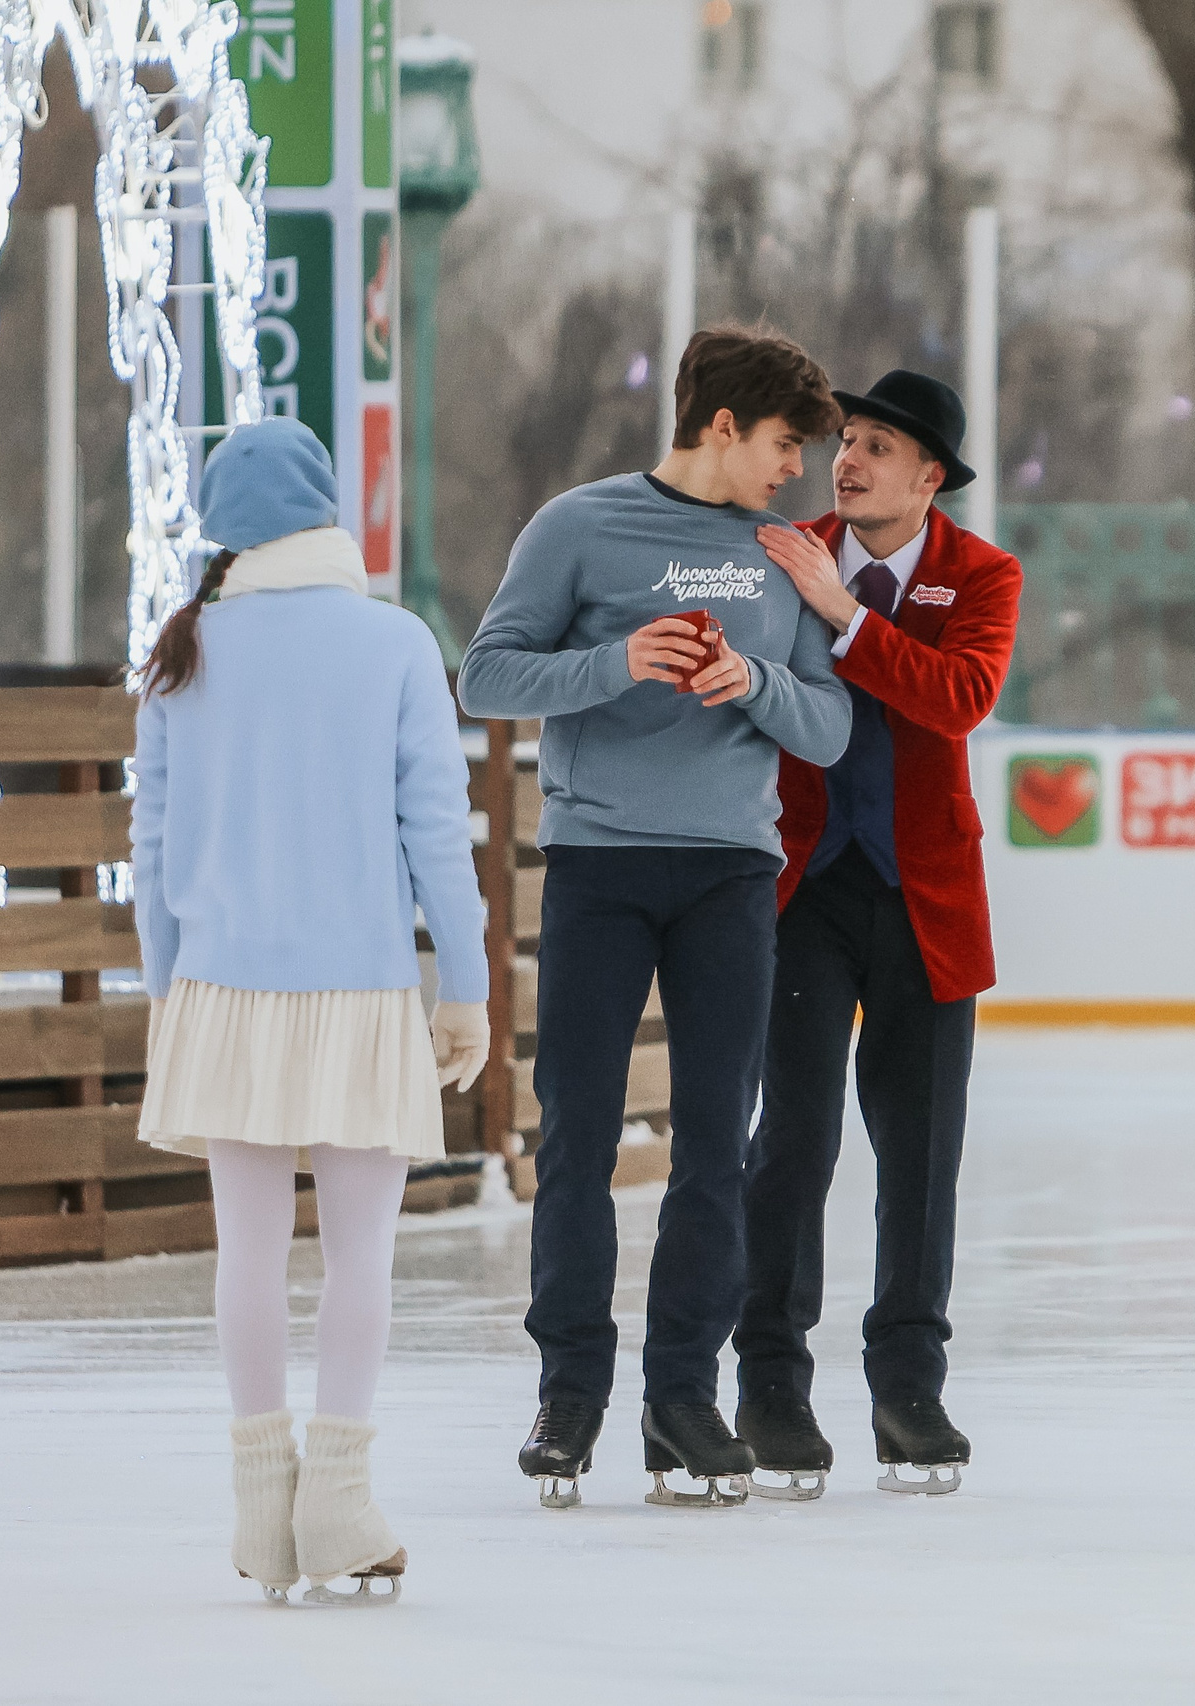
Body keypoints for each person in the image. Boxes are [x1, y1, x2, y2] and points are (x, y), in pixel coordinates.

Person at [457, 328, 852, 1509]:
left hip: (731, 874)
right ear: (721, 425)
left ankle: (685, 1394)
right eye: (786, 444)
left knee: (714, 1147)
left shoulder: (790, 556)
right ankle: (569, 1389)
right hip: (597, 869)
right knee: (574, 1137)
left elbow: (827, 728)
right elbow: (485, 675)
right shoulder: (577, 526)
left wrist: (755, 684)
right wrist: (617, 660)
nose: (798, 470)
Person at [131, 417, 491, 1605]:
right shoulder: (391, 642)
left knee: (246, 1250)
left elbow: (151, 844)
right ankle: (337, 1500)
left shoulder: (184, 652)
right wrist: (467, 983)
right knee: (358, 1255)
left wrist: (165, 988)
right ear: (329, 512)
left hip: (219, 990)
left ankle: (260, 1510)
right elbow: (437, 833)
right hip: (358, 988)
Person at [732, 370, 1020, 1499]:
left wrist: (844, 616)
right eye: (844, 440)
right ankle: (770, 1378)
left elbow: (956, 699)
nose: (846, 459)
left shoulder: (980, 574)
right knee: (790, 1144)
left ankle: (908, 1382)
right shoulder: (779, 550)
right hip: (803, 890)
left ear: (929, 476)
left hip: (925, 899)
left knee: (921, 1156)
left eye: (877, 447)